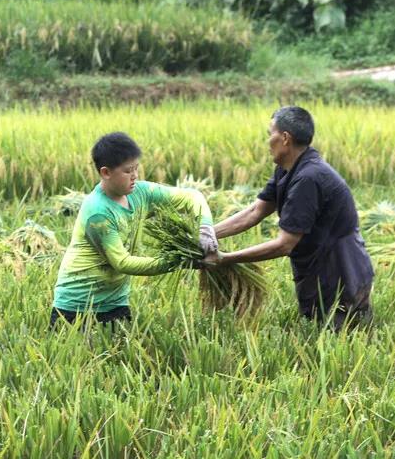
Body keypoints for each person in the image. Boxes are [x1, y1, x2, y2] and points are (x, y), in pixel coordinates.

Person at [208, 106, 374, 330]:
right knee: (318, 335)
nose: (267, 141)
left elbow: (284, 244)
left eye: (270, 134)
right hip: (317, 269)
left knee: (340, 344)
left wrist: (225, 258)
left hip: (340, 273)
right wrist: (207, 233)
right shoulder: (287, 169)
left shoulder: (309, 178)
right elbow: (255, 211)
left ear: (285, 138)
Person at [51, 132, 217, 327]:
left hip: (116, 301)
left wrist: (205, 227)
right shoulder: (98, 212)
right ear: (106, 172)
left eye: (136, 168)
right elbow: (122, 262)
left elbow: (191, 196)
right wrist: (176, 260)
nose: (135, 176)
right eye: (128, 171)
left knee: (120, 354)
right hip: (77, 306)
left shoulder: (140, 193)